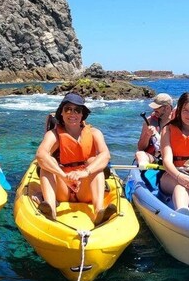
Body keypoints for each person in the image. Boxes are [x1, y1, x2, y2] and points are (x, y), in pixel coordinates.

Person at [35, 93, 115, 225]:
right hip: (63, 188)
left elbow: (105, 155)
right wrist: (63, 177)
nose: (72, 114)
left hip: (85, 188)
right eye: (68, 109)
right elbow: (41, 155)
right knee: (48, 163)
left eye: (77, 110)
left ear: (82, 114)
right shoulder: (53, 135)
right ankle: (51, 210)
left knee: (93, 161)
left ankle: (99, 211)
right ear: (61, 113)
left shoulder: (95, 133)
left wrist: (84, 172)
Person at [134, 92, 174, 167]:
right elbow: (141, 148)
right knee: (139, 154)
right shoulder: (149, 122)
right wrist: (147, 135)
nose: (154, 109)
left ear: (167, 108)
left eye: (157, 107)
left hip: (172, 160)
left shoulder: (178, 122)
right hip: (154, 159)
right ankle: (145, 173)